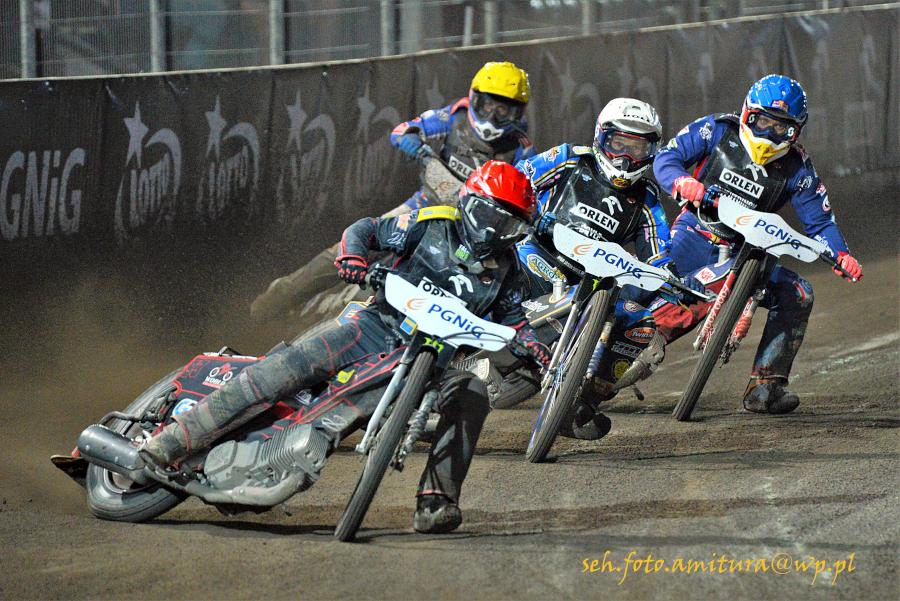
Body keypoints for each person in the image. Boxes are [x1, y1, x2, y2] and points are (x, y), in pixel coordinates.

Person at [139, 161, 551, 534]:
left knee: (472, 393)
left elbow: (514, 320)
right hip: (371, 328)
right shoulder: (431, 221)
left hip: (432, 366)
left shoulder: (509, 270)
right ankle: (172, 441)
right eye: (491, 215)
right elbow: (366, 229)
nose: (495, 229)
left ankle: (436, 501)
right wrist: (353, 257)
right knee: (287, 367)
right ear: (469, 202)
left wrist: (532, 345)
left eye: (509, 223)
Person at [249, 61, 536, 321]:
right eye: (488, 105)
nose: (492, 116)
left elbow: (526, 195)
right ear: (474, 98)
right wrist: (415, 143)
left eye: (504, 111)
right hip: (424, 205)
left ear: (518, 113)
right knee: (354, 244)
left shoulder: (521, 149)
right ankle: (277, 298)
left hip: (468, 230)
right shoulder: (454, 116)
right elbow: (402, 129)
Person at [651, 74, 863, 414]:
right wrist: (681, 181)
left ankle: (766, 385)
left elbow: (820, 222)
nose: (770, 134)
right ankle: (600, 360)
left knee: (799, 293)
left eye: (782, 128)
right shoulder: (716, 130)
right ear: (747, 113)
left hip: (747, 254)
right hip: (695, 232)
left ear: (796, 131)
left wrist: (841, 254)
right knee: (646, 285)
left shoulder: (799, 168)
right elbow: (667, 157)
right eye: (763, 121)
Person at [497, 98, 685, 439]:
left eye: (637, 148)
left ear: (652, 151)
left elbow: (658, 252)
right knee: (485, 269)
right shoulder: (569, 158)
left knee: (642, 328)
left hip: (587, 286)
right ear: (601, 138)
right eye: (619, 144)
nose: (626, 157)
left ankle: (580, 405)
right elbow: (518, 179)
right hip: (534, 258)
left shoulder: (647, 200)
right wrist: (530, 213)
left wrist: (671, 276)